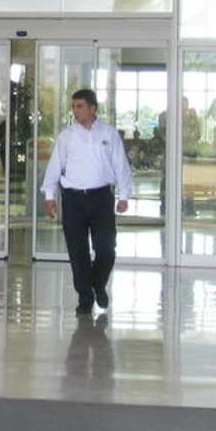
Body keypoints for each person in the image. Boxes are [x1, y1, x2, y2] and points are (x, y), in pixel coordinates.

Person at [42, 89, 133, 315]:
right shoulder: (66, 136)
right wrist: (49, 196)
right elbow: (55, 167)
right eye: (73, 107)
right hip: (73, 200)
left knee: (106, 249)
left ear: (93, 108)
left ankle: (98, 285)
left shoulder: (109, 134)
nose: (75, 111)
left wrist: (124, 196)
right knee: (77, 252)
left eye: (80, 106)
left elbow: (121, 165)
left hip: (102, 199)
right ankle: (85, 297)